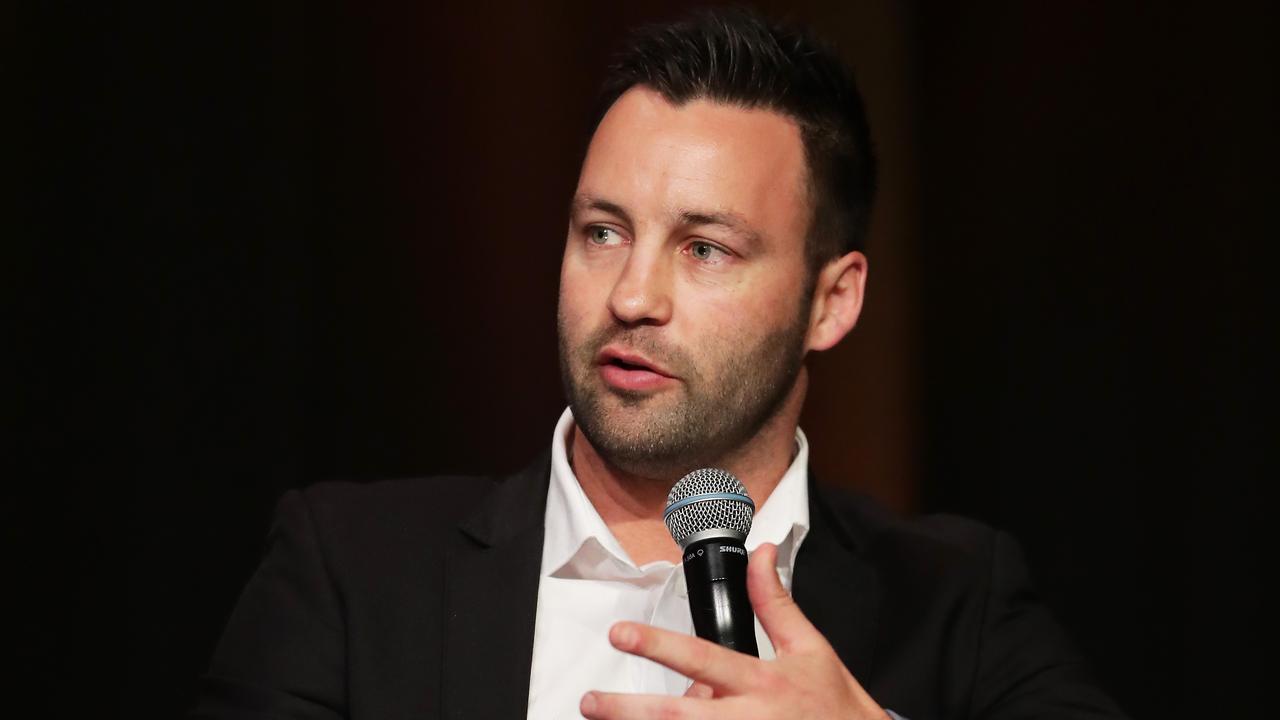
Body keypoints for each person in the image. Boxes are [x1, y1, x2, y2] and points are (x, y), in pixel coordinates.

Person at [192, 8, 1128, 720]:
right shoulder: (353, 571)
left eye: (704, 248)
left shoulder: (953, 599)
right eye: (603, 232)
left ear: (832, 300)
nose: (633, 295)